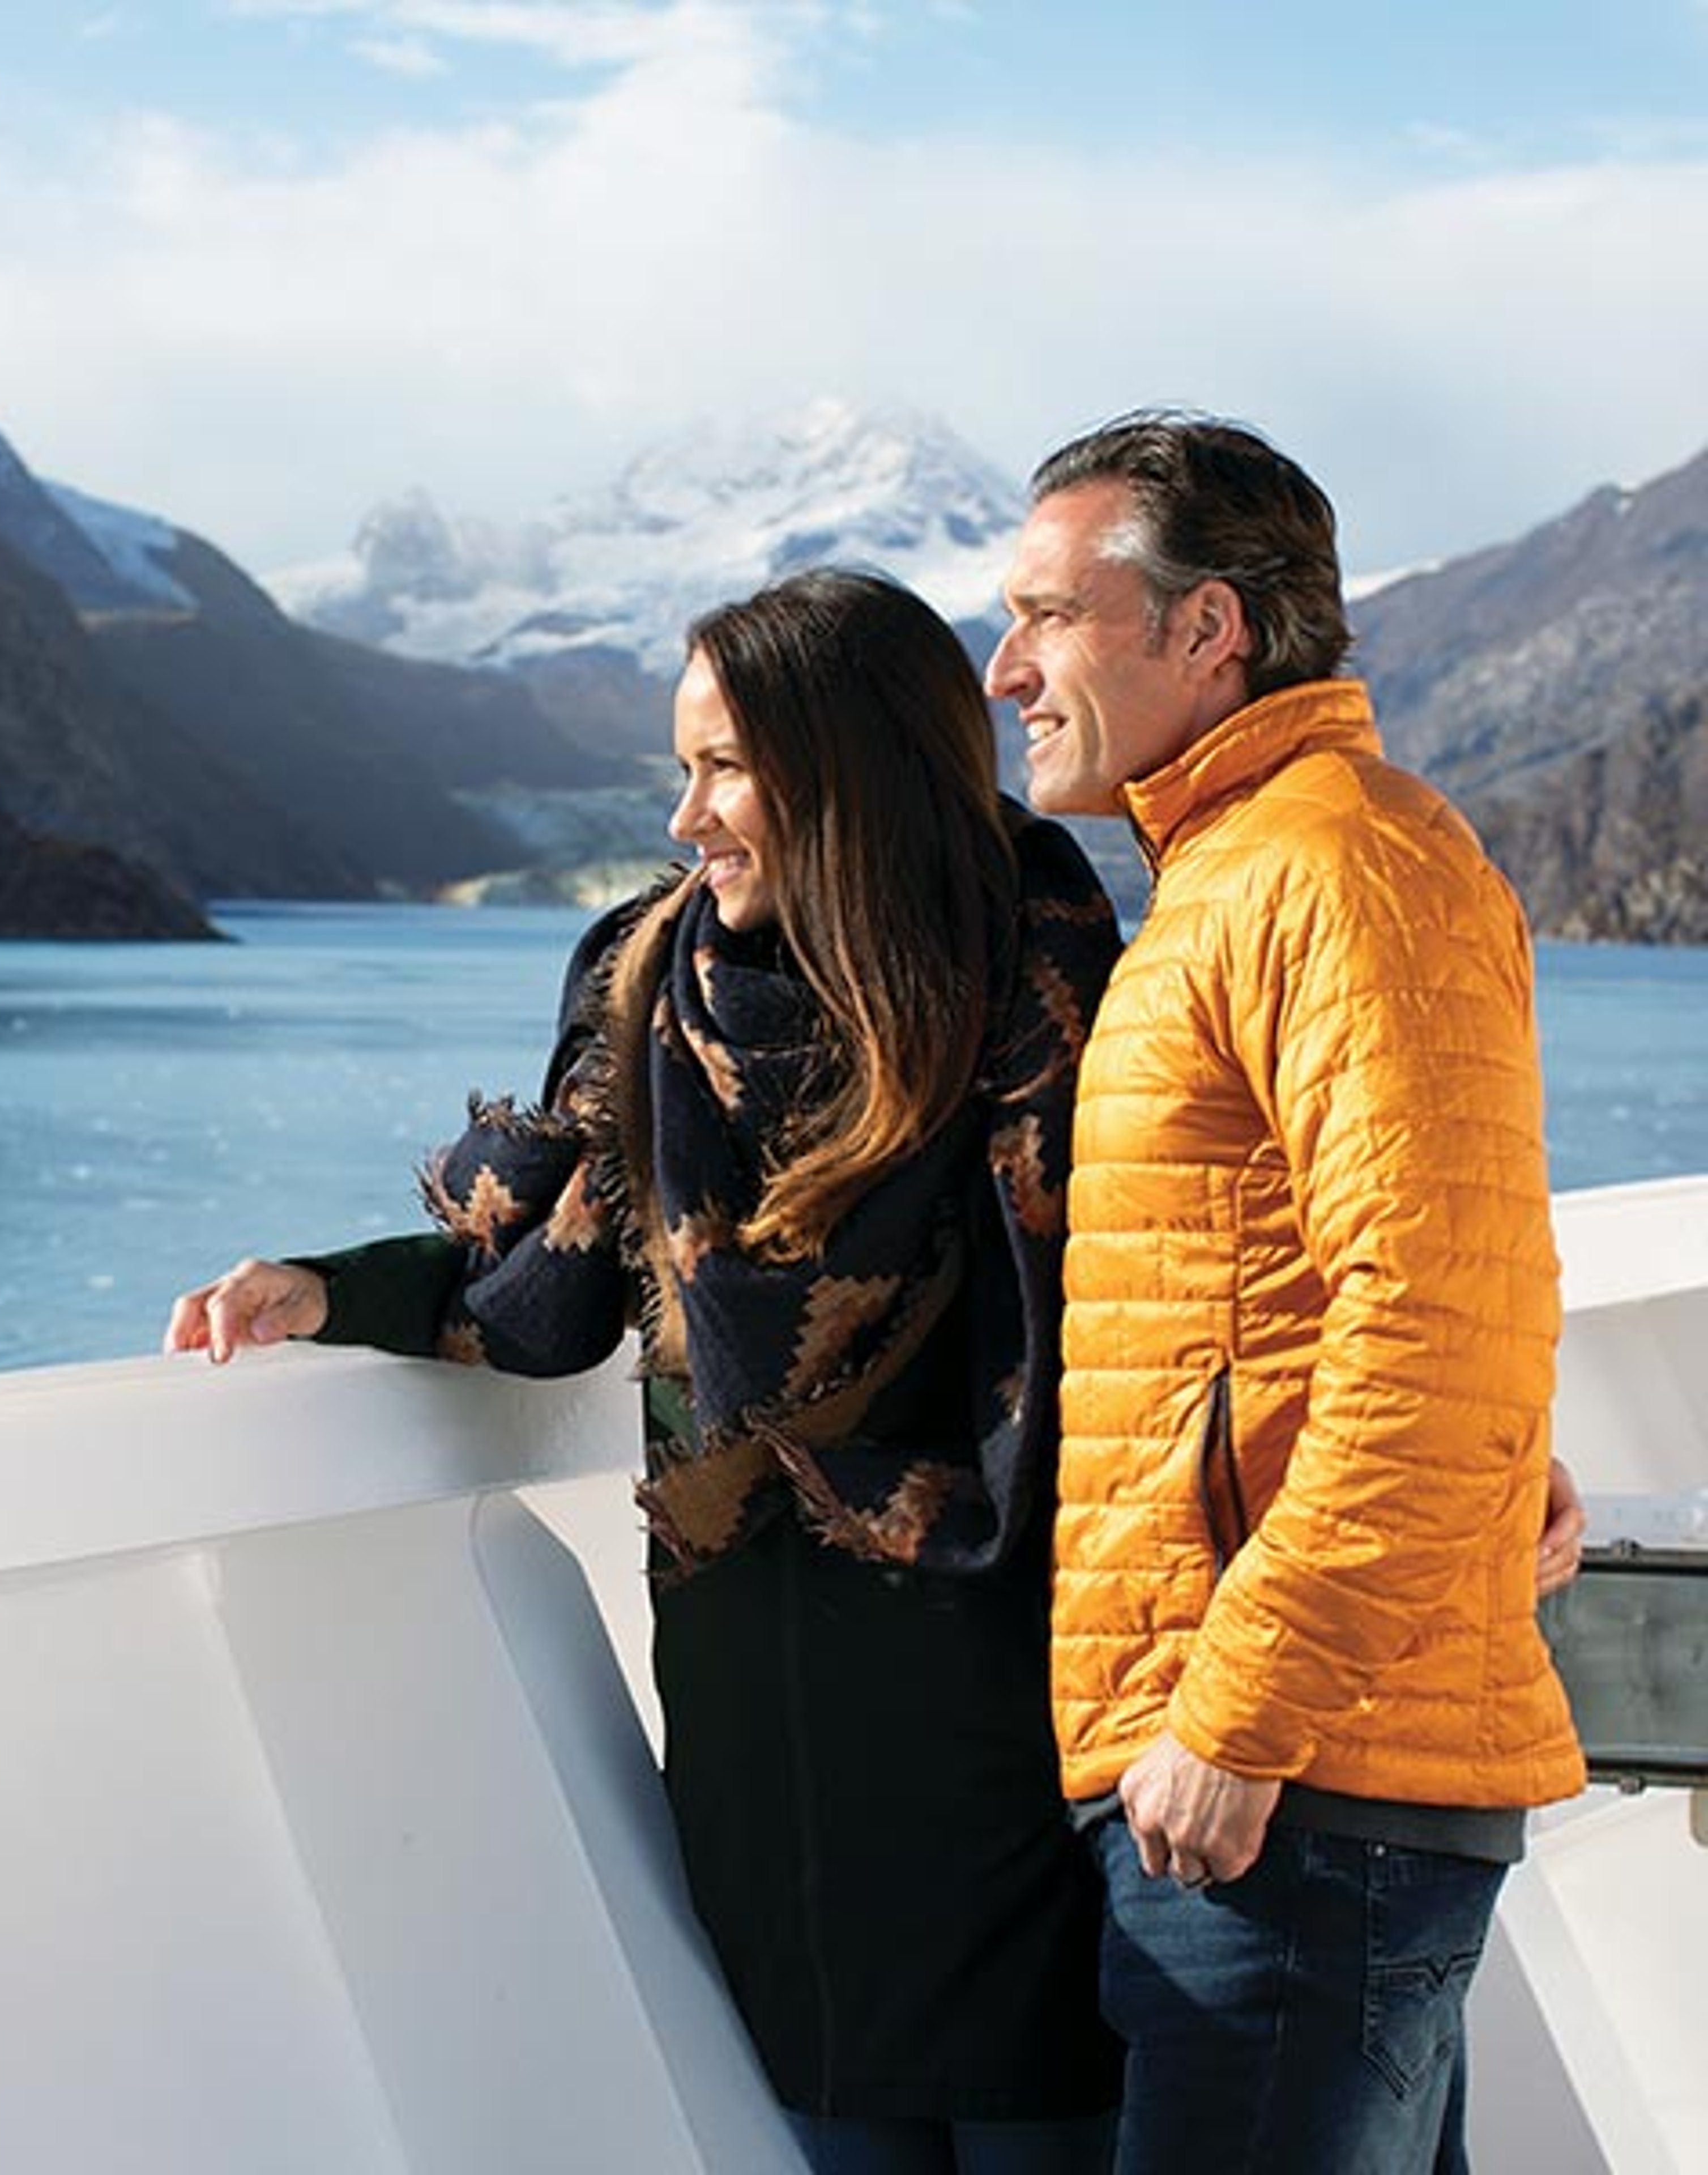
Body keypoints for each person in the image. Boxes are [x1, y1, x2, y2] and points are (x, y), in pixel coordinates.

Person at [166, 568, 1127, 2173]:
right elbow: (540, 1290)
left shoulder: (1040, 983)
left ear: (860, 766)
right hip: (757, 1725)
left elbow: (1143, 1336)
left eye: (728, 769)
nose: (689, 819)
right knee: (830, 2136)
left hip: (1006, 1718)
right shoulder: (647, 981)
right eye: (682, 771)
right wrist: (321, 1291)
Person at [981, 410, 1587, 2174]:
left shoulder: (1335, 868)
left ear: (1209, 630)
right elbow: (1357, 1291)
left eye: (1050, 614)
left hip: (1293, 1785)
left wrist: (1242, 1708)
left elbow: (1437, 1317)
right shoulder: (1244, 872)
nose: (1009, 665)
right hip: (1285, 1773)